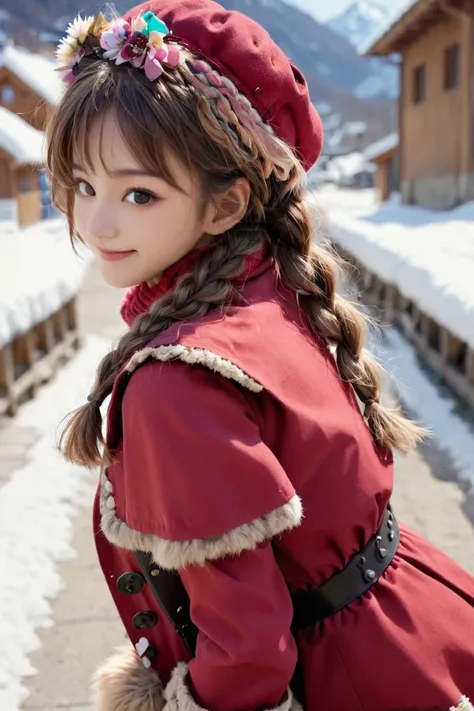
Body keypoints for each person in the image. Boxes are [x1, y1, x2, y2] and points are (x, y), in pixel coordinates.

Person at [46, 2, 474, 710]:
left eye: (139, 193)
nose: (97, 221)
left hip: (347, 681)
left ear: (224, 206)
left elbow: (246, 655)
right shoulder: (271, 289)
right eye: (83, 185)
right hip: (417, 625)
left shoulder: (177, 382)